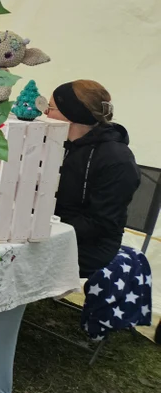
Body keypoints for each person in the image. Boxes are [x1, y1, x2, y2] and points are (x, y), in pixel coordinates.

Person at [48, 80, 140, 277]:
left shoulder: (117, 160)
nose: (45, 114)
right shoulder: (58, 144)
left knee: (15, 256)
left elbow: (101, 223)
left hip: (91, 246)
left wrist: (43, 227)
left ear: (71, 114)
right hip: (54, 227)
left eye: (51, 108)